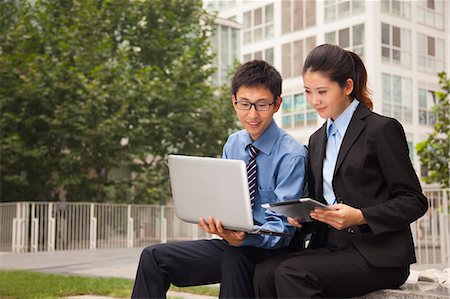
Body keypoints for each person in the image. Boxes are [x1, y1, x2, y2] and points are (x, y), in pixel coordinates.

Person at [253, 44, 429, 298]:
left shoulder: (381, 130)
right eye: (308, 92)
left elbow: (414, 201)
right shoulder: (317, 140)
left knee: (291, 272)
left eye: (322, 91)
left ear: (347, 87)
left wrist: (360, 216)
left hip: (378, 254)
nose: (314, 100)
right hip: (331, 248)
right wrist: (301, 218)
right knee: (264, 272)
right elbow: (321, 205)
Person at [131, 60, 308, 298]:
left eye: (262, 105)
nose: (252, 114)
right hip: (233, 243)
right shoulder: (233, 143)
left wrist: (244, 239)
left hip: (274, 249)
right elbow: (225, 201)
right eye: (244, 104)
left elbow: (283, 231)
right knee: (153, 258)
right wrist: (219, 223)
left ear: (277, 104)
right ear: (234, 102)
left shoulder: (291, 154)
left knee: (235, 258)